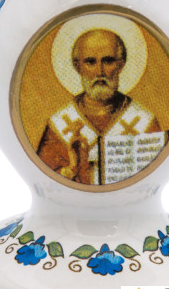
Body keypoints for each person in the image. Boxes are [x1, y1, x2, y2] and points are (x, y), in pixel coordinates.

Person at [37, 29, 161, 184]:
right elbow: (45, 179)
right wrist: (71, 170)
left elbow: (154, 174)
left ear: (121, 65)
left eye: (108, 61)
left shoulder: (144, 122)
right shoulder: (59, 124)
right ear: (77, 67)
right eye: (90, 62)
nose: (100, 72)